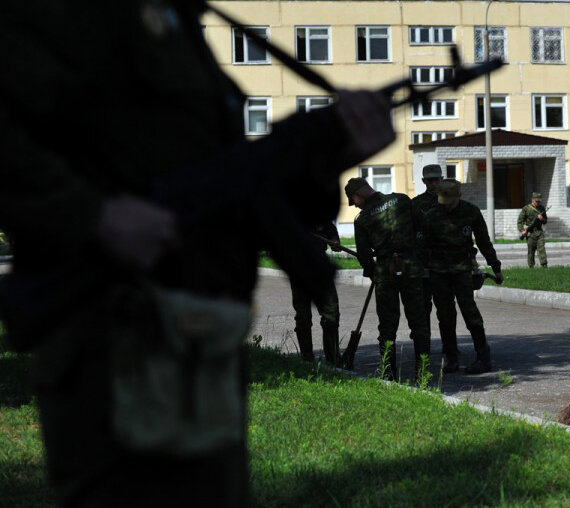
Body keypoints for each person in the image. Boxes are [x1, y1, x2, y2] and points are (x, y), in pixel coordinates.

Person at [0, 2, 395, 506]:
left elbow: (241, 192)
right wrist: (89, 215)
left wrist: (333, 151)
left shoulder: (179, 21)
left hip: (199, 337)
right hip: (109, 339)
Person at [346, 178, 430, 380]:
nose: (355, 205)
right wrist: (416, 254)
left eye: (354, 200)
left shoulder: (363, 219)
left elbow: (364, 255)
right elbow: (423, 227)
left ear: (358, 195)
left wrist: (372, 271)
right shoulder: (401, 200)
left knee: (387, 326)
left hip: (385, 272)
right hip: (411, 267)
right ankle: (423, 372)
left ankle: (388, 374)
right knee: (419, 322)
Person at [423, 179, 503, 374]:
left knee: (470, 313)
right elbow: (422, 245)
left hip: (462, 271)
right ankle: (451, 358)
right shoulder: (432, 214)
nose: (447, 205)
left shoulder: (471, 212)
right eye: (444, 201)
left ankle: (483, 357)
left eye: (451, 200)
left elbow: (483, 241)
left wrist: (496, 267)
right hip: (438, 272)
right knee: (445, 316)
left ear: (459, 196)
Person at [291, 221, 341, 364]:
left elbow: (332, 233)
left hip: (320, 267)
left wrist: (335, 241)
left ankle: (333, 359)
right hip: (298, 270)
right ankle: (307, 358)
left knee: (331, 314)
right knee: (303, 316)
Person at [411, 164, 443, 341]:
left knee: (445, 308)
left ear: (442, 179)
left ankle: (449, 347)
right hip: (423, 265)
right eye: (430, 180)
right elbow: (409, 234)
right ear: (424, 181)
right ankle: (424, 345)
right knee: (423, 307)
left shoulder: (450, 201)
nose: (433, 183)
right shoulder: (415, 204)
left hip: (445, 264)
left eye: (436, 179)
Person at [517, 192, 548, 268]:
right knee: (531, 251)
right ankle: (531, 266)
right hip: (530, 233)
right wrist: (522, 230)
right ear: (532, 199)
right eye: (536, 201)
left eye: (539, 201)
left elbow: (545, 221)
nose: (538, 202)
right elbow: (520, 221)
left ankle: (544, 265)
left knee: (541, 249)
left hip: (539, 232)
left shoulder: (542, 208)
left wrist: (542, 219)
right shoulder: (526, 209)